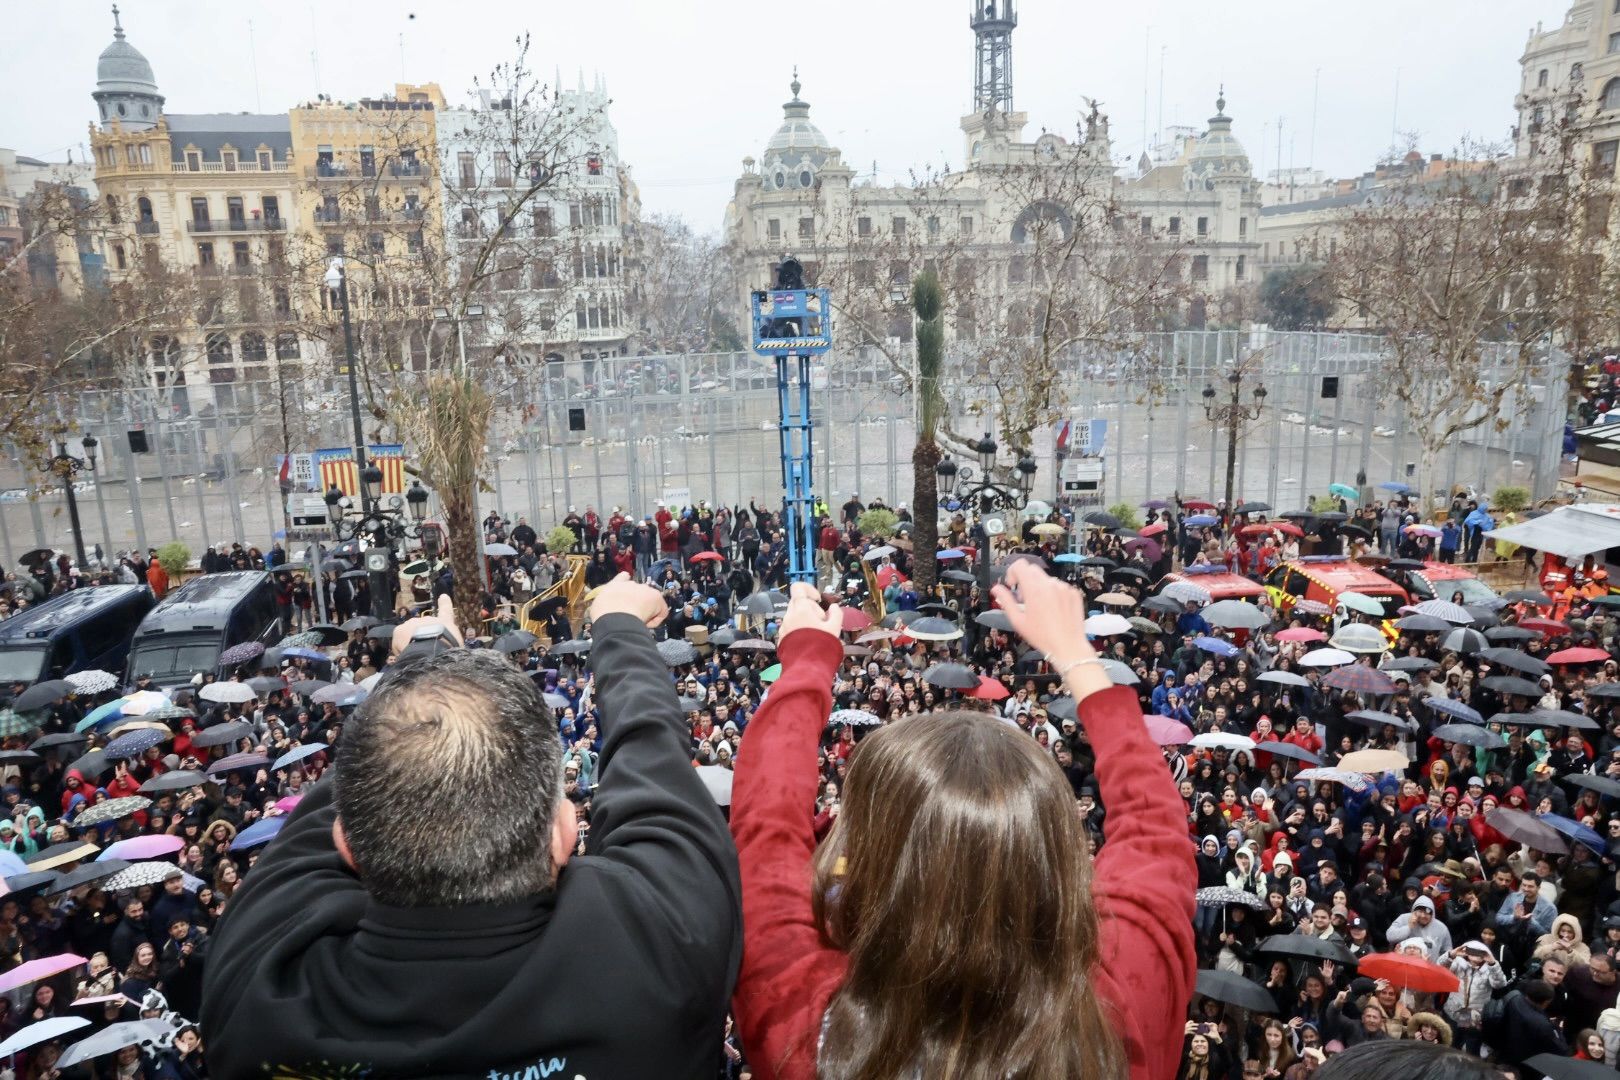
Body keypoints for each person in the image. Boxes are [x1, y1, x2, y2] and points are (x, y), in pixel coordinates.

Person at [201, 584, 743, 1077]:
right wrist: (618, 625)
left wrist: (424, 662)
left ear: (348, 846)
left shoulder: (257, 995)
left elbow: (366, 775)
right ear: (563, 833)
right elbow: (653, 757)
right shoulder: (664, 956)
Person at [730, 565, 1196, 1080]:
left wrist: (807, 660)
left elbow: (766, 825)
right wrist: (1076, 656)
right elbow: (1156, 833)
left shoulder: (802, 1031)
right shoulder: (1122, 1018)